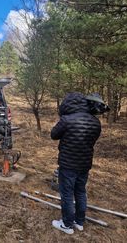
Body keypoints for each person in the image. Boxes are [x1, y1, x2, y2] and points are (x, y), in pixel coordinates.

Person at [51, 92, 108, 234]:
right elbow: (91, 141)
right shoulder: (96, 122)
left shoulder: (67, 119)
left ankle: (67, 225)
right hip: (85, 164)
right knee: (81, 191)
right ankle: (79, 222)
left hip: (68, 164)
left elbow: (54, 135)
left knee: (67, 194)